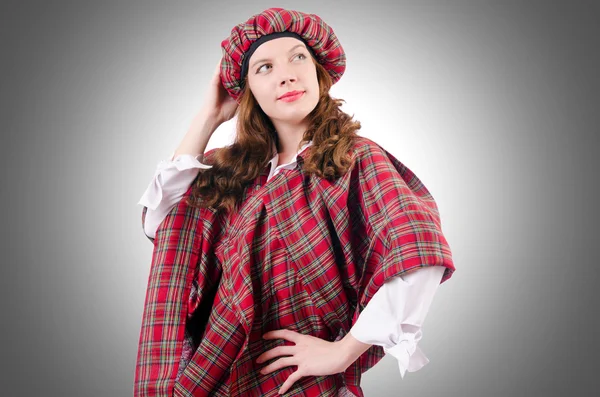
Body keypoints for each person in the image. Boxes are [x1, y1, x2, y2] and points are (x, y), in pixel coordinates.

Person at [134, 8, 456, 397]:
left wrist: (343, 353)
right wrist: (208, 116)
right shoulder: (232, 174)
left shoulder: (354, 159)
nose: (286, 73)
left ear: (318, 71)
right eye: (264, 67)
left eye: (297, 57)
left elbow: (419, 252)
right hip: (220, 380)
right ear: (247, 90)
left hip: (303, 383)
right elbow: (164, 223)